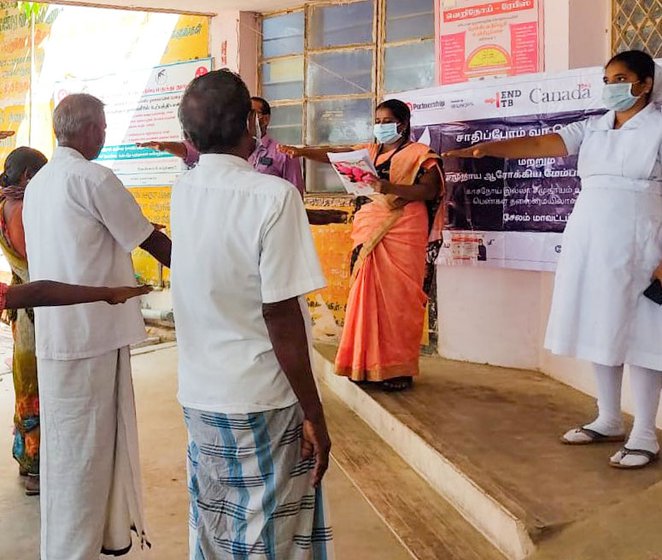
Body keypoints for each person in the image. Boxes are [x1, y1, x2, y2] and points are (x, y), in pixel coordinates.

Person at [444, 50, 662, 470]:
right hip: (591, 237)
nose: (611, 85)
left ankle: (645, 433)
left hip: (643, 239)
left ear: (645, 84)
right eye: (606, 77)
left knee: (644, 336)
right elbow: (545, 142)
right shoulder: (595, 127)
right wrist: (492, 147)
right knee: (603, 324)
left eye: (620, 77)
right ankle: (609, 417)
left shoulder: (659, 127)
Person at [171, 69, 333, 559]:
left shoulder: (185, 190)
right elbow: (281, 316)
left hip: (200, 394)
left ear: (188, 136)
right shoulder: (274, 197)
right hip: (260, 398)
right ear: (251, 124)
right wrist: (314, 411)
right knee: (268, 537)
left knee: (215, 524)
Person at [22, 93, 172, 558]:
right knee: (83, 456)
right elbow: (146, 238)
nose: (105, 137)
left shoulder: (41, 182)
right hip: (91, 336)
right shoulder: (94, 178)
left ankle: (97, 540)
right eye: (103, 128)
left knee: (74, 451)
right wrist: (200, 269)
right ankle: (75, 549)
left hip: (59, 335)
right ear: (89, 131)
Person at [281, 99, 444, 391]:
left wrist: (391, 187)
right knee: (364, 294)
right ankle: (365, 365)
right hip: (369, 225)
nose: (380, 126)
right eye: (377, 121)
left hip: (404, 228)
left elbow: (430, 189)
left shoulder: (421, 155)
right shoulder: (370, 151)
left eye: (386, 121)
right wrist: (301, 152)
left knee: (398, 299)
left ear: (403, 124)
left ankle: (397, 370)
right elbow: (335, 154)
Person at [0, 146, 48, 496]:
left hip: (20, 306)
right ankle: (35, 468)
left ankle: (25, 460)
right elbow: (40, 261)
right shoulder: (25, 210)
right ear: (28, 176)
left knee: (24, 384)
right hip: (34, 306)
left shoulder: (3, 205)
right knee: (35, 387)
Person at [138, 96, 304, 194]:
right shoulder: (229, 147)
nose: (246, 119)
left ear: (265, 119)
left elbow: (295, 199)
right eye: (243, 114)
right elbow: (191, 151)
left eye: (252, 114)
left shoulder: (283, 154)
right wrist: (165, 146)